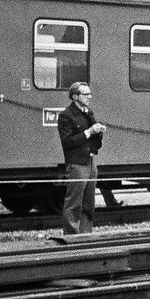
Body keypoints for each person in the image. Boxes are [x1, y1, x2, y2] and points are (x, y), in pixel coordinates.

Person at [56, 81, 105, 234]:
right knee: (74, 203)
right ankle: (71, 236)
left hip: (90, 162)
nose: (89, 96)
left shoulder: (89, 112)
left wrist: (99, 132)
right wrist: (89, 132)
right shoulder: (66, 116)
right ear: (75, 97)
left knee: (88, 203)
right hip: (76, 164)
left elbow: (94, 139)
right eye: (86, 94)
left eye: (90, 93)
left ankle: (85, 234)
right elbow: (67, 142)